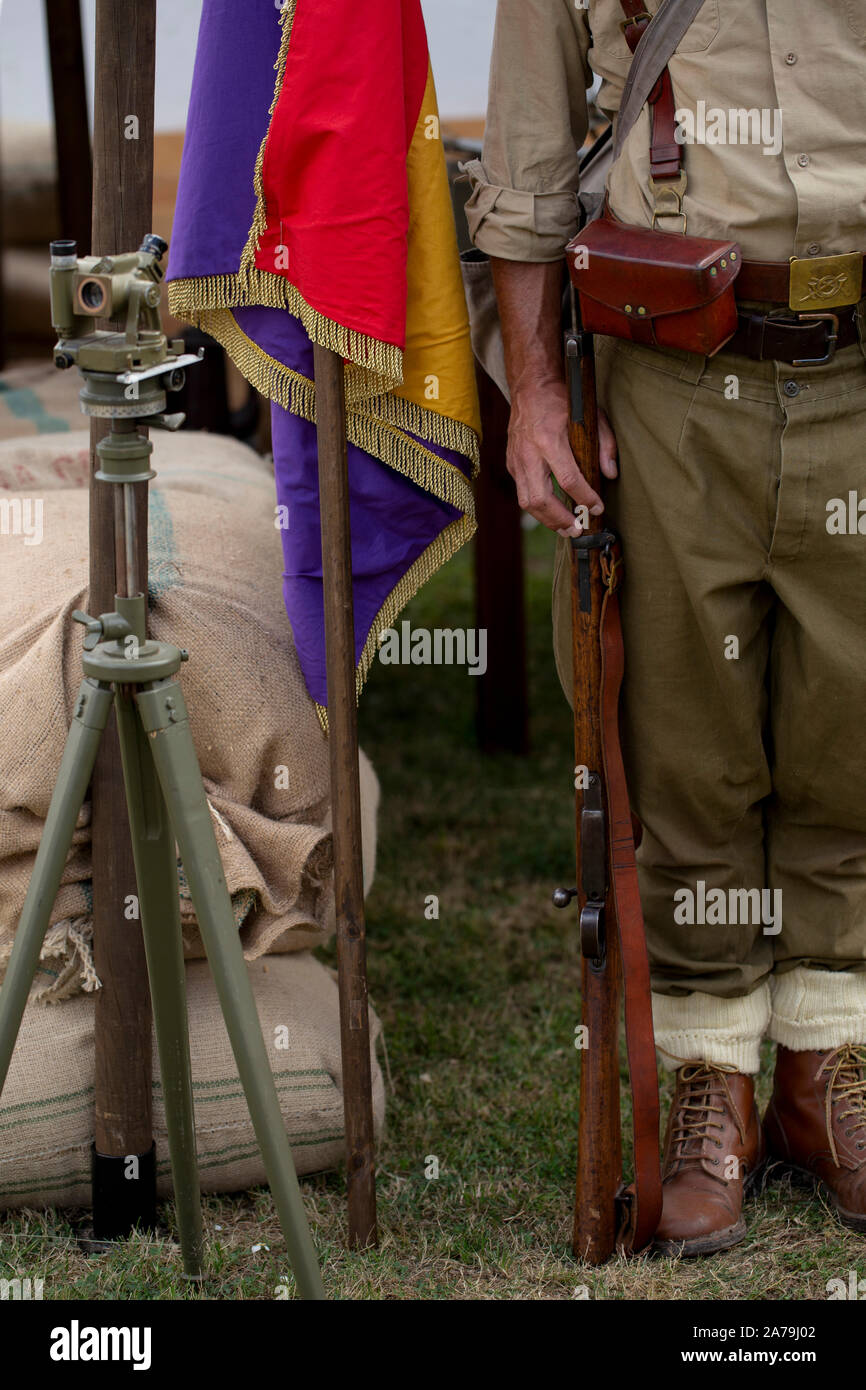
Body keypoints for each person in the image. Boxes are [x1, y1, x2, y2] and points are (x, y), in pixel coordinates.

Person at [464, 0, 866, 1254]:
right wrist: (533, 396)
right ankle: (712, 1076)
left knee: (845, 733)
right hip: (670, 377)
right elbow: (526, 166)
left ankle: (826, 1068)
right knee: (682, 741)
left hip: (857, 361)